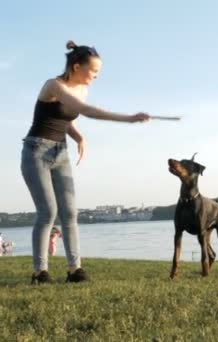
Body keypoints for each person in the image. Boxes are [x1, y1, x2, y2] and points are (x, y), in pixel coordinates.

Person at [22, 40, 152, 284]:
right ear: (76, 66)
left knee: (70, 212)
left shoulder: (81, 90)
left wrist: (79, 136)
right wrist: (128, 118)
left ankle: (75, 270)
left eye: (98, 72)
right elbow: (86, 110)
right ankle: (40, 272)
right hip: (36, 152)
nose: (96, 76)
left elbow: (67, 117)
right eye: (93, 71)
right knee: (48, 212)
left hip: (60, 153)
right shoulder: (54, 85)